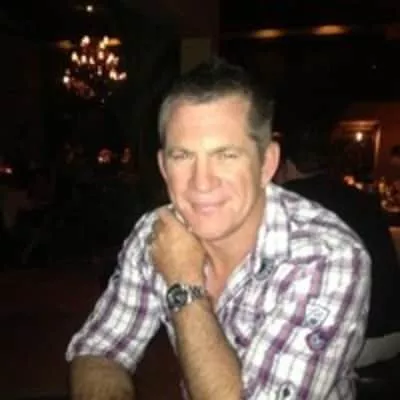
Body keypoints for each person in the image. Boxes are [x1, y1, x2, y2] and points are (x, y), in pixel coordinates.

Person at [66, 59, 371, 399]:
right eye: (183, 156)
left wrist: (184, 284)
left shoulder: (328, 257)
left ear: (266, 164)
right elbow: (100, 348)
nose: (202, 183)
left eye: (226, 155)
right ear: (163, 167)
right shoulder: (158, 232)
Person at [274, 124, 400, 365]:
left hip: (356, 341)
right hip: (393, 330)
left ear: (286, 166)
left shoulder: (287, 201)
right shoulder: (361, 198)